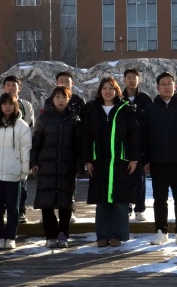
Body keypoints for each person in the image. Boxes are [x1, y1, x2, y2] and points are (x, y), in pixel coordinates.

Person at [81, 77, 141, 247]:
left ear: (116, 91)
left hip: (120, 161)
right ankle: (102, 236)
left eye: (111, 88)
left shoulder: (125, 109)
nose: (108, 91)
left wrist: (134, 159)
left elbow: (134, 135)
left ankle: (118, 236)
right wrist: (88, 159)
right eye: (104, 88)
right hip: (99, 160)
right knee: (102, 201)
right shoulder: (92, 110)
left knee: (120, 201)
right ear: (100, 90)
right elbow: (86, 136)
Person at [143, 72, 177, 246]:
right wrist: (145, 159)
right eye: (163, 84)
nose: (167, 86)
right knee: (159, 199)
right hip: (158, 161)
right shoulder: (151, 109)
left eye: (169, 83)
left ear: (175, 86)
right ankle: (161, 231)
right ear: (157, 87)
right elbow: (146, 136)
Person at [31, 86, 81, 248]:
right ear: (52, 99)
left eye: (64, 97)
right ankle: (50, 235)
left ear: (69, 99)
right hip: (47, 166)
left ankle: (63, 234)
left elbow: (78, 144)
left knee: (65, 202)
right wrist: (33, 162)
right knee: (47, 202)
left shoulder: (74, 119)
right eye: (58, 97)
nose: (61, 100)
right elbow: (36, 142)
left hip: (67, 166)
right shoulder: (44, 118)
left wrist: (79, 165)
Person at [0, 92, 32, 250]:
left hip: (14, 173)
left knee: (13, 208)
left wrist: (24, 171)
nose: (7, 107)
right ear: (0, 106)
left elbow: (26, 150)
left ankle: (11, 236)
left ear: (16, 106)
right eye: (4, 104)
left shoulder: (22, 126)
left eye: (10, 104)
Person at [0, 75, 35, 224]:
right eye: (8, 85)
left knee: (21, 185)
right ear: (3, 88)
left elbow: (29, 124)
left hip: (18, 148)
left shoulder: (26, 105)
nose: (11, 87)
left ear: (19, 88)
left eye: (13, 85)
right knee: (0, 191)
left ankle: (21, 210)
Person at [43, 71, 86, 223]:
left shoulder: (79, 101)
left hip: (71, 149)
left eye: (67, 81)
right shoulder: (49, 101)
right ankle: (49, 211)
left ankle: (69, 210)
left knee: (69, 185)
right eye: (60, 81)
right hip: (53, 150)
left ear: (72, 84)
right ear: (56, 83)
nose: (63, 84)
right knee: (51, 184)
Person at [121, 68, 153, 222]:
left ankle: (140, 208)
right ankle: (126, 207)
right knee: (125, 178)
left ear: (139, 80)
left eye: (134, 77)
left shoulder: (145, 99)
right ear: (124, 80)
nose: (131, 80)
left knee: (140, 179)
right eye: (128, 77)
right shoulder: (119, 98)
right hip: (123, 146)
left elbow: (150, 126)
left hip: (141, 145)